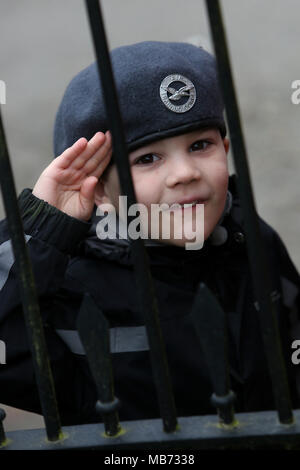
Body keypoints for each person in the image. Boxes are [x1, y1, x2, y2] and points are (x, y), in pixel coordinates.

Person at [0, 41, 299, 425]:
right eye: (147, 158)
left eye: (200, 145)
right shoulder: (71, 283)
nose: (184, 173)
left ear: (225, 149)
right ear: (99, 190)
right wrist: (41, 230)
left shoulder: (253, 239)